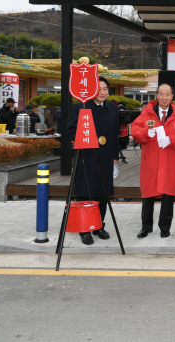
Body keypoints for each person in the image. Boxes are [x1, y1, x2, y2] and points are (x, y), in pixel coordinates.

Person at [131, 84, 175, 238]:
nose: (164, 97)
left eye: (167, 94)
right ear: (156, 95)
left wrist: (171, 139)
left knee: (168, 194)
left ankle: (165, 227)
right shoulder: (146, 114)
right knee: (148, 194)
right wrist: (147, 132)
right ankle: (146, 226)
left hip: (170, 160)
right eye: (161, 94)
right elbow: (135, 131)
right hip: (151, 160)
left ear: (172, 96)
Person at [66, 76, 119, 245]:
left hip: (105, 157)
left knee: (103, 193)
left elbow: (116, 136)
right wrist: (85, 139)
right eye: (98, 89)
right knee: (86, 192)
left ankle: (99, 226)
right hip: (86, 157)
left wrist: (115, 157)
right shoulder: (80, 107)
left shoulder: (112, 108)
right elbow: (71, 132)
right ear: (90, 90)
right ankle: (84, 228)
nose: (102, 92)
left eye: (105, 89)